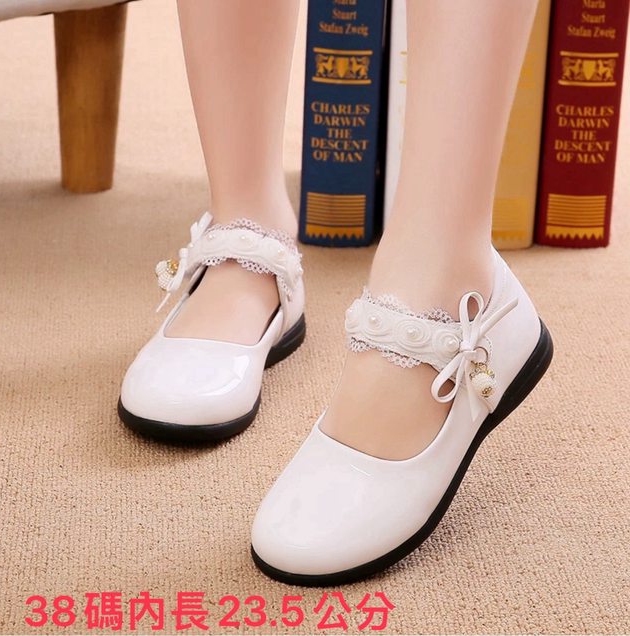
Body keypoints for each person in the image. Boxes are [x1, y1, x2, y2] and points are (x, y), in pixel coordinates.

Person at [119, 0, 553, 585]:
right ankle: (245, 222)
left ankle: (444, 275)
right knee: (240, 201)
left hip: (452, 291)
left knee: (434, 255)